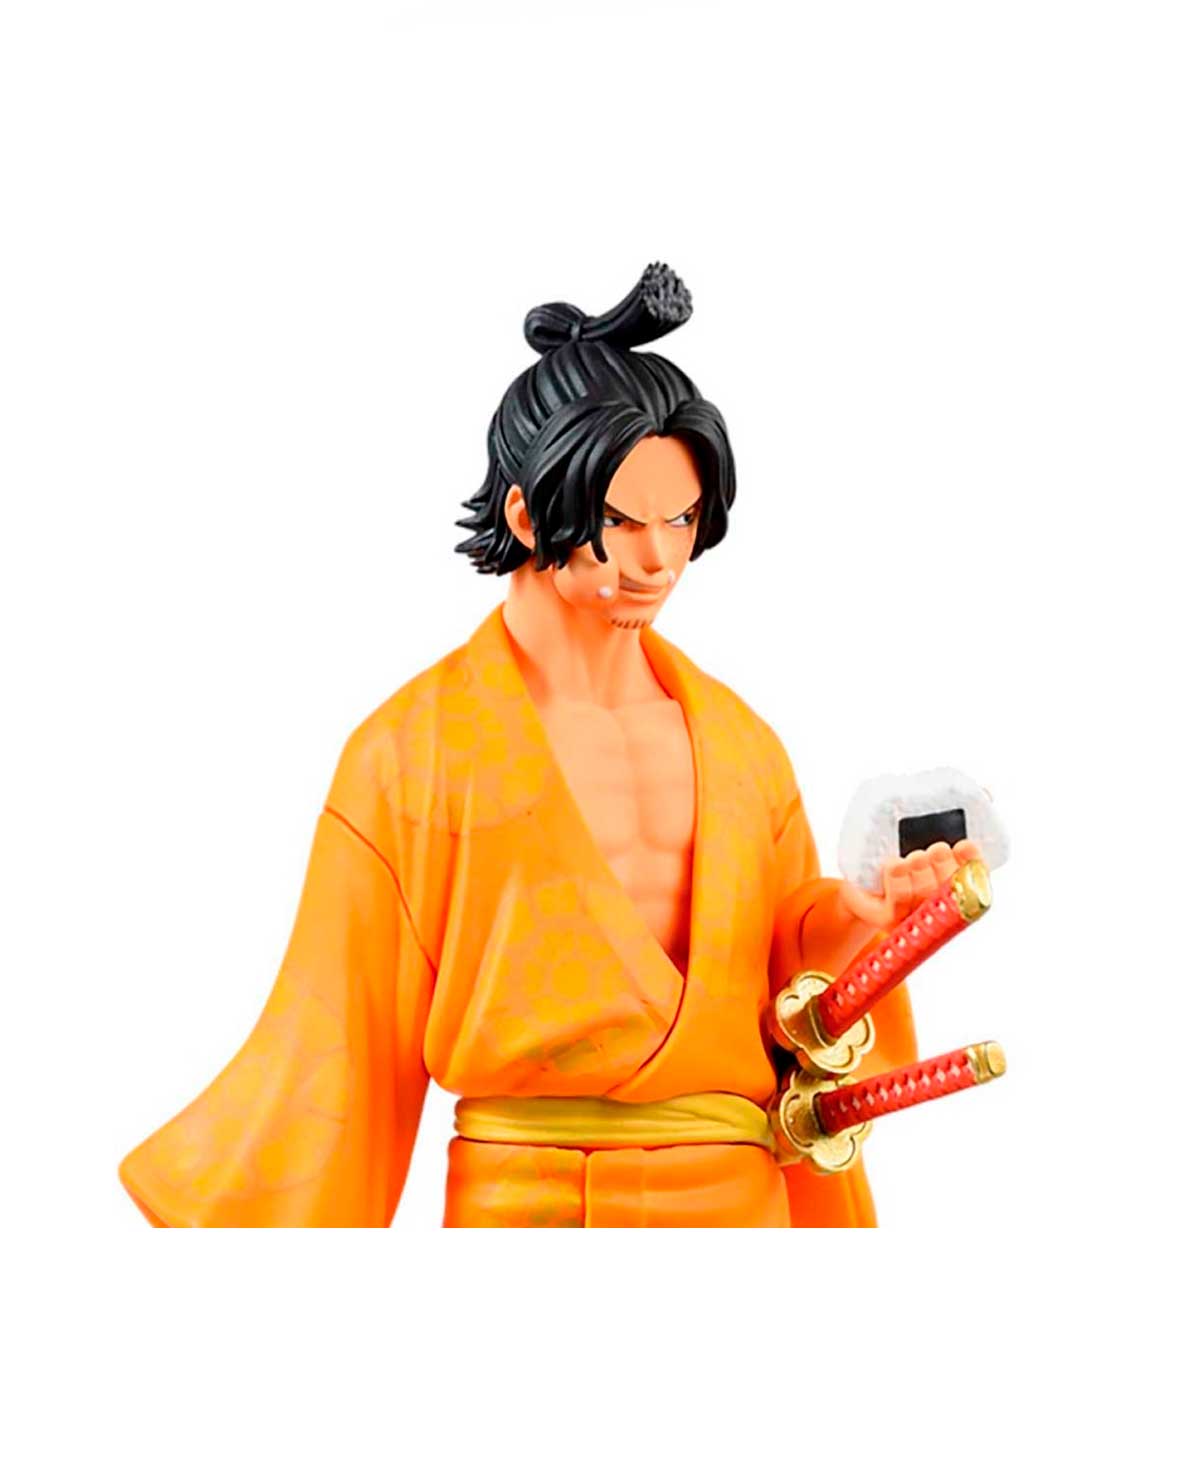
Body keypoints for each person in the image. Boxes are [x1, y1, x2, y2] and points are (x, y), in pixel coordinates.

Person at [119, 263, 977, 1227]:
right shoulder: (415, 750)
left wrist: (861, 918)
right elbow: (339, 1031)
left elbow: (783, 969)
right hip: (526, 1203)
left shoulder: (742, 745)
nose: (658, 557)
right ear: (529, 514)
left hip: (736, 1200)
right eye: (620, 521)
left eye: (682, 518)